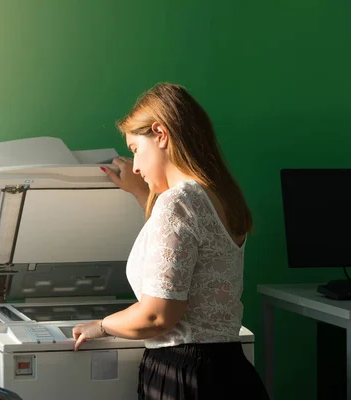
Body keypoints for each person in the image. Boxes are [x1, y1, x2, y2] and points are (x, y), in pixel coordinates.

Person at [72, 83, 269, 400]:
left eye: (136, 149)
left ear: (160, 134)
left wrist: (103, 325)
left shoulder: (177, 203)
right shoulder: (219, 197)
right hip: (232, 372)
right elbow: (181, 249)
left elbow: (156, 316)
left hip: (186, 376)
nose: (135, 165)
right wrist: (140, 191)